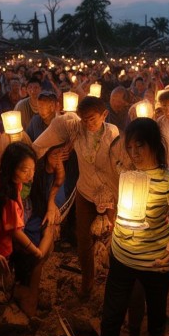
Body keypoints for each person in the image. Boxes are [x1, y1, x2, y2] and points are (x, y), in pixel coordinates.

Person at [92, 118, 169, 336]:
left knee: (157, 305)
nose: (134, 153)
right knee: (111, 315)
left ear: (155, 146)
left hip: (155, 261)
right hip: (122, 257)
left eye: (140, 146)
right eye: (130, 147)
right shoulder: (125, 174)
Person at [33, 96, 125, 299]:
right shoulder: (75, 129)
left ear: (104, 115)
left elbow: (120, 165)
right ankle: (87, 281)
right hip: (86, 191)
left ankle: (115, 282)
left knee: (114, 239)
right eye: (83, 119)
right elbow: (41, 143)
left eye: (92, 119)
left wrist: (116, 201)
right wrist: (51, 152)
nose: (87, 124)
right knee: (83, 239)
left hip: (110, 192)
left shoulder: (112, 133)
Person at [0, 142, 62, 315]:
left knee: (46, 238)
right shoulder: (9, 197)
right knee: (40, 250)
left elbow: (57, 182)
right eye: (24, 170)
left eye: (33, 169)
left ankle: (26, 291)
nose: (31, 175)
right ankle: (19, 292)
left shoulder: (16, 187)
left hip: (11, 245)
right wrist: (35, 250)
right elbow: (15, 232)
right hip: (6, 250)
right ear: (11, 168)